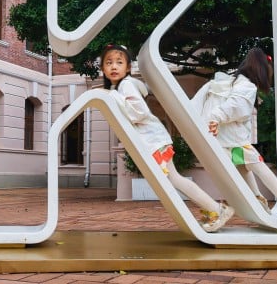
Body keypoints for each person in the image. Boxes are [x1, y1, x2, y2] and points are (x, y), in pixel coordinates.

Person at [99, 43, 235, 232]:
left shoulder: (126, 85)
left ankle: (217, 209)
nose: (114, 66)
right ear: (103, 68)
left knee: (175, 179)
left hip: (154, 140)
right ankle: (214, 209)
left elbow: (138, 113)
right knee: (174, 179)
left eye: (119, 62)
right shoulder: (121, 87)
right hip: (154, 139)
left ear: (128, 67)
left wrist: (112, 96)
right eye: (109, 63)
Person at [193, 46, 277, 219]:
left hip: (224, 139)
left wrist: (214, 119)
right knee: (259, 167)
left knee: (243, 168)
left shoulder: (233, 82)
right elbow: (235, 107)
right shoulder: (246, 86)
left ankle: (259, 198)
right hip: (235, 140)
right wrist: (217, 118)